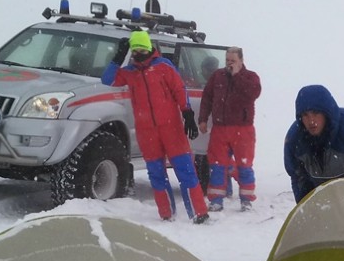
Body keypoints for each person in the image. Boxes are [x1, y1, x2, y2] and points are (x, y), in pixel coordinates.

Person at [101, 30, 209, 223]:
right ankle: (166, 214)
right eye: (135, 50)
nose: (138, 54)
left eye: (142, 49)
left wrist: (187, 113)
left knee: (185, 171)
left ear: (149, 48)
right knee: (156, 174)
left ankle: (199, 213)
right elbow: (107, 79)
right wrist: (118, 56)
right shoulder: (130, 73)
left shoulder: (163, 67)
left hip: (172, 129)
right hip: (147, 132)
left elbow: (179, 89)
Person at [197, 47, 262, 211]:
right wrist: (203, 119)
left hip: (243, 129)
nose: (229, 64)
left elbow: (252, 93)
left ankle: (246, 200)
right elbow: (207, 98)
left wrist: (237, 75)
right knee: (217, 166)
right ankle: (216, 201)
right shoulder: (217, 76)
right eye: (227, 60)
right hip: (220, 129)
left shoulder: (250, 77)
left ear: (241, 60)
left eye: (233, 60)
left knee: (244, 166)